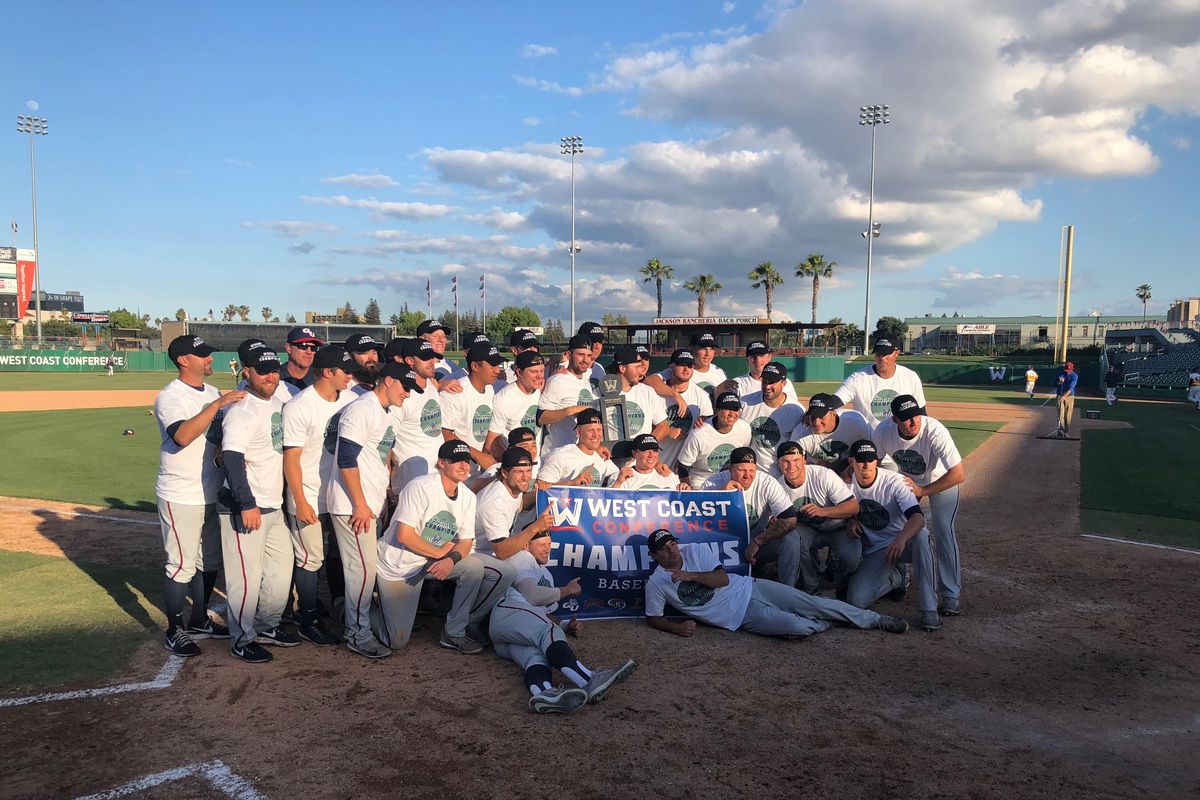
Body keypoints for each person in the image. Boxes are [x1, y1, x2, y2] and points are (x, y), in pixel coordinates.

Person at [373, 440, 513, 654]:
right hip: (398, 567)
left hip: (429, 561)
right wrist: (440, 553)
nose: (464, 466)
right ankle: (361, 613)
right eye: (456, 461)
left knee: (474, 567)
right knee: (396, 641)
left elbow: (466, 541)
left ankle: (455, 632)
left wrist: (451, 560)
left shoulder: (467, 496)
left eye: (467, 461)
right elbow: (404, 535)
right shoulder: (421, 486)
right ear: (441, 464)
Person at [155, 334, 244, 657]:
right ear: (183, 360)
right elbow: (181, 435)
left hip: (211, 490)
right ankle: (174, 630)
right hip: (181, 492)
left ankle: (199, 619)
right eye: (202, 355)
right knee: (180, 564)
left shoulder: (211, 391)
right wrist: (217, 405)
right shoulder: (171, 396)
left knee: (209, 561)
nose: (210, 359)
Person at [644, 529, 907, 639]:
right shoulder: (656, 582)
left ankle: (874, 619)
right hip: (739, 615)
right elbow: (654, 617)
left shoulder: (694, 552)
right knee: (798, 627)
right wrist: (675, 628)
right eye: (664, 550)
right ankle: (835, 620)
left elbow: (722, 579)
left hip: (751, 586)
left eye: (672, 544)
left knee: (813, 603)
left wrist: (691, 576)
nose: (672, 551)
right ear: (654, 556)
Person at [326, 362, 417, 659]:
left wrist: (384, 494)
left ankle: (355, 621)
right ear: (388, 381)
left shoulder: (385, 412)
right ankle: (357, 633)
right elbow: (347, 459)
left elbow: (378, 458)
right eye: (405, 387)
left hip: (368, 503)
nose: (408, 394)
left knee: (364, 572)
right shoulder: (362, 409)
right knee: (361, 574)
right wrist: (360, 503)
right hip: (352, 505)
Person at [490, 528, 635, 713]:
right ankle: (589, 680)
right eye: (541, 544)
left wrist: (566, 625)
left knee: (537, 657)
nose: (547, 549)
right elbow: (532, 595)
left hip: (508, 635)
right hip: (506, 612)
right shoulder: (522, 557)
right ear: (526, 545)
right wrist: (567, 590)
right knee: (549, 632)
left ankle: (544, 694)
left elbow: (541, 614)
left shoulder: (547, 576)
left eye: (549, 545)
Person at [217, 339, 296, 663]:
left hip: (272, 503)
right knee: (245, 579)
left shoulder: (278, 400)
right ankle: (241, 638)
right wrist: (246, 502)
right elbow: (232, 459)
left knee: (280, 570)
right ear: (247, 372)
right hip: (244, 505)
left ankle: (265, 625)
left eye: (274, 371)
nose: (271, 377)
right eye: (263, 372)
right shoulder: (241, 410)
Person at [281, 344, 356, 646]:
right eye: (345, 371)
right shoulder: (300, 406)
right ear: (328, 372)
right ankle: (307, 619)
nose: (351, 376)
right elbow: (291, 459)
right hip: (309, 492)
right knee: (310, 559)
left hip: (340, 492)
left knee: (342, 554)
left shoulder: (351, 400)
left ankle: (344, 609)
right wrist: (299, 500)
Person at [872, 395, 966, 616]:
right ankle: (900, 577)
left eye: (916, 415)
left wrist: (923, 491)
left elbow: (959, 474)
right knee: (895, 526)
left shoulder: (935, 430)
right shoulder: (883, 431)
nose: (913, 422)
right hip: (906, 480)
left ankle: (950, 594)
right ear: (895, 420)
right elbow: (873, 463)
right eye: (906, 418)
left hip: (941, 480)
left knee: (943, 530)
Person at [843, 440, 940, 632]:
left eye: (870, 460)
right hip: (878, 549)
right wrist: (850, 520)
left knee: (921, 537)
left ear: (876, 461)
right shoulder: (845, 483)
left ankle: (929, 608)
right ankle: (897, 578)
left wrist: (901, 539)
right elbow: (843, 510)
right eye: (861, 461)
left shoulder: (895, 481)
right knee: (856, 600)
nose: (866, 466)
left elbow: (917, 518)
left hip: (905, 541)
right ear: (851, 461)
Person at [745, 442, 860, 597]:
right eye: (785, 461)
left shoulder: (823, 475)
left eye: (796, 460)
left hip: (837, 528)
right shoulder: (778, 486)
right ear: (778, 463)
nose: (791, 466)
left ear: (804, 460)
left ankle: (843, 582)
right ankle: (811, 588)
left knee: (851, 559)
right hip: (808, 531)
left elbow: (853, 507)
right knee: (792, 534)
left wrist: (823, 511)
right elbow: (777, 520)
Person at [830, 334, 926, 428]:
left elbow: (921, 412)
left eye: (886, 353)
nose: (882, 358)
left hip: (898, 440)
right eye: (878, 353)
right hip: (868, 439)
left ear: (897, 353)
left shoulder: (910, 377)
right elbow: (836, 400)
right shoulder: (858, 378)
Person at [440, 342, 506, 474]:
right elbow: (445, 433)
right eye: (492, 365)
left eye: (498, 365)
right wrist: (479, 456)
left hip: (477, 471)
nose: (497, 370)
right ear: (475, 366)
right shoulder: (455, 392)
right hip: (455, 470)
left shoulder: (489, 390)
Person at [390, 338, 445, 492]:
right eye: (425, 358)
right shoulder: (401, 393)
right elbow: (386, 441)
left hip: (435, 474)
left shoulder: (431, 387)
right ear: (409, 360)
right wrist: (387, 485)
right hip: (410, 481)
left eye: (432, 357)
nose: (432, 361)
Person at [739, 362, 806, 475]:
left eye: (772, 382)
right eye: (764, 381)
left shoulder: (797, 411)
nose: (767, 386)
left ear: (784, 383)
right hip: (751, 471)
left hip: (780, 473)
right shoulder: (746, 403)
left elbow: (799, 449)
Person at [537, 334, 598, 456]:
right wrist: (569, 411)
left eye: (589, 356)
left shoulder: (585, 382)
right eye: (581, 355)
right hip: (557, 453)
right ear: (569, 355)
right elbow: (540, 417)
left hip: (580, 453)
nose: (585, 360)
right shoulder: (557, 381)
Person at [676, 391, 752, 489]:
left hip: (730, 479)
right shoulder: (699, 434)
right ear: (717, 411)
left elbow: (743, 458)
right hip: (701, 482)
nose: (732, 413)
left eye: (735, 409)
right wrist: (689, 492)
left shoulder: (744, 428)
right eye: (727, 409)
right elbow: (683, 466)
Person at [656, 348, 713, 470]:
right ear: (671, 366)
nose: (686, 369)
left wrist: (703, 424)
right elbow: (645, 428)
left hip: (684, 468)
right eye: (681, 364)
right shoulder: (656, 392)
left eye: (690, 365)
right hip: (657, 462)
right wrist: (667, 431)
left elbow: (708, 433)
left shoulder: (701, 395)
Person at [791, 393, 873, 477]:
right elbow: (790, 461)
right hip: (817, 475)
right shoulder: (801, 432)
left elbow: (871, 453)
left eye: (821, 416)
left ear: (833, 415)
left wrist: (852, 468)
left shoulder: (856, 423)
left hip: (851, 471)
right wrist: (812, 468)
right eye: (813, 416)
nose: (816, 422)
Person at [484, 350, 544, 460]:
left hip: (537, 464)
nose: (539, 376)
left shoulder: (542, 389)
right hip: (516, 467)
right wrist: (515, 462)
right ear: (519, 372)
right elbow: (491, 444)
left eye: (542, 371)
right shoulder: (504, 399)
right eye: (534, 372)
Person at [537, 409, 619, 488]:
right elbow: (541, 487)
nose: (596, 435)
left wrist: (622, 478)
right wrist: (572, 483)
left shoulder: (603, 458)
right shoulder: (561, 455)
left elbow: (617, 478)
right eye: (591, 430)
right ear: (578, 432)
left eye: (599, 430)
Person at [609, 345, 671, 447]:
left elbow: (663, 426)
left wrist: (644, 447)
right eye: (637, 367)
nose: (641, 370)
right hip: (609, 459)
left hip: (639, 461)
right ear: (622, 368)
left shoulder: (647, 392)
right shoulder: (602, 392)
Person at [723, 340, 799, 401]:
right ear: (747, 360)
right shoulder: (737, 383)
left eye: (761, 355)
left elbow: (792, 409)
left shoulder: (783, 382)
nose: (757, 360)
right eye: (753, 356)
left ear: (769, 357)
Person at [613, 434, 680, 490]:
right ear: (634, 454)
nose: (651, 455)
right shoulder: (619, 477)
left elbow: (681, 500)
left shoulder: (668, 474)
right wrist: (618, 483)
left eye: (655, 450)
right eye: (645, 450)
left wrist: (685, 489)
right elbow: (609, 502)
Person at [415, 319, 465, 388]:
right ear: (421, 339)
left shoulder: (451, 365)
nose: (441, 340)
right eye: (435, 336)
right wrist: (440, 385)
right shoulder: (414, 367)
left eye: (444, 336)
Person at [278, 326, 324, 397]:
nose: (309, 352)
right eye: (303, 346)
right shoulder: (274, 376)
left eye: (313, 348)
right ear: (289, 348)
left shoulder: (320, 378)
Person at [1054, 362, 1079, 435]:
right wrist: (1059, 381)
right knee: (1060, 414)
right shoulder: (1060, 374)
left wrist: (1064, 396)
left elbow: (1071, 388)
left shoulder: (1074, 376)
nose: (1067, 371)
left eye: (1069, 370)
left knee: (1067, 415)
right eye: (1066, 369)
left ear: (1072, 369)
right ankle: (1060, 430)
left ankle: (1066, 431)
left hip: (1069, 396)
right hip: (1059, 395)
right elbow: (1055, 384)